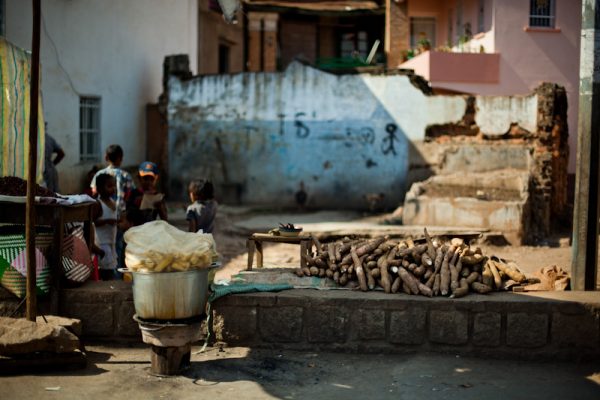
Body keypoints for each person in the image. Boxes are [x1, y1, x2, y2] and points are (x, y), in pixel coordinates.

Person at [90, 145, 134, 269]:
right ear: (121, 158)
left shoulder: (99, 174)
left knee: (113, 246)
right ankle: (116, 271)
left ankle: (113, 271)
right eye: (110, 186)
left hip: (109, 216)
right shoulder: (126, 175)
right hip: (119, 216)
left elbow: (93, 192)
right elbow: (130, 195)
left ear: (106, 157)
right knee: (118, 246)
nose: (113, 189)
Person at [92, 173, 118, 280]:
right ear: (100, 189)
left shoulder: (113, 202)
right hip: (101, 244)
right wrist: (107, 221)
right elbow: (93, 222)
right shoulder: (98, 204)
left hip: (111, 242)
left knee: (111, 270)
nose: (113, 189)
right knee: (106, 273)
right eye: (109, 186)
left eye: (114, 185)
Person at [43, 128, 65, 193]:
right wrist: (52, 164)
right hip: (50, 168)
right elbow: (61, 153)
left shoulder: (35, 138)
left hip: (45, 168)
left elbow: (61, 154)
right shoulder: (49, 138)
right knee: (53, 193)